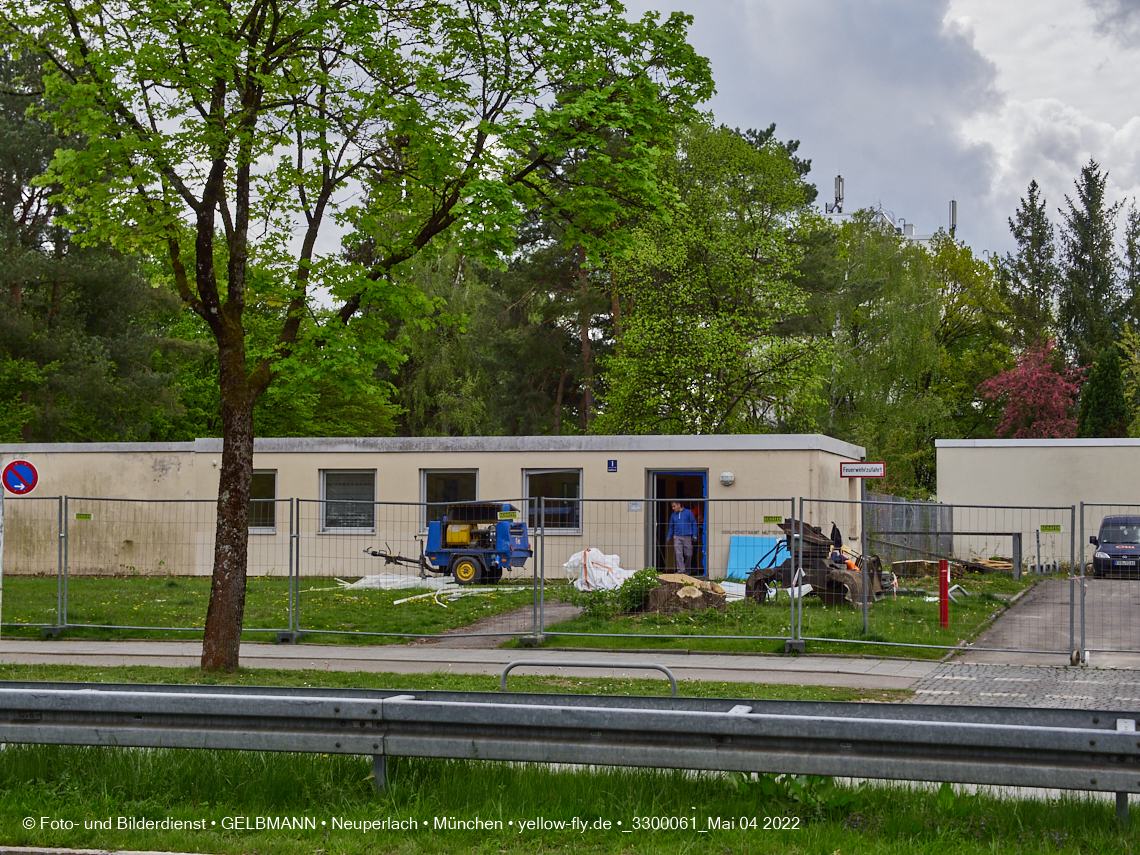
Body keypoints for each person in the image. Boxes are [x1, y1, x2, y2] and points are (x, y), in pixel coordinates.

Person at [666, 501, 698, 574]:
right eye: (672, 507)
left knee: (688, 554)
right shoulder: (673, 515)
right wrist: (669, 536)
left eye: (674, 506)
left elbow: (694, 523)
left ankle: (687, 570)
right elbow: (671, 526)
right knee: (678, 554)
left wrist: (694, 535)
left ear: (679, 505)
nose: (673, 508)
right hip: (677, 536)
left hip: (687, 535)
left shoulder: (688, 512)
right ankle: (681, 571)